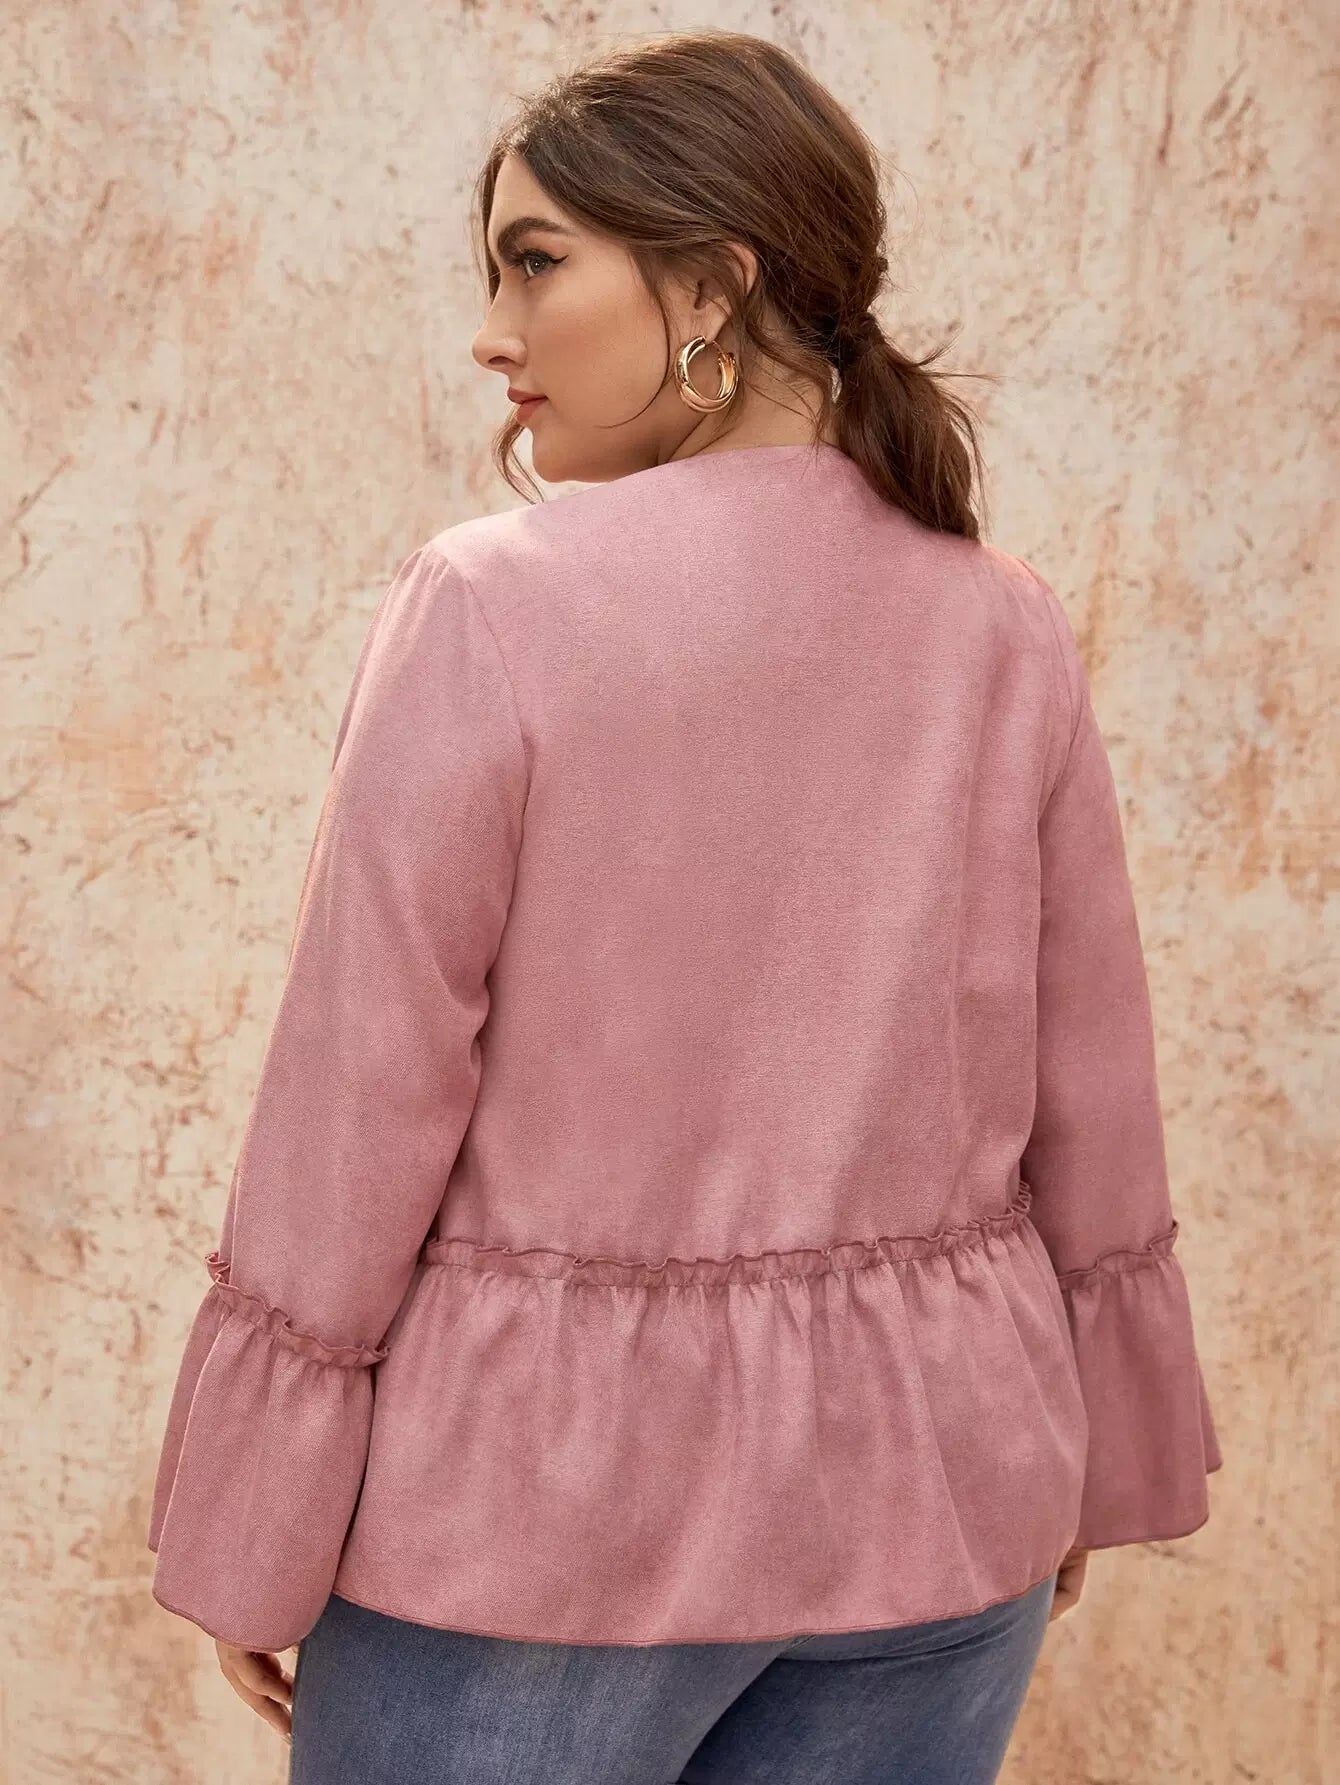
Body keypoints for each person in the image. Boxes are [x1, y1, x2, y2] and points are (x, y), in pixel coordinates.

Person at [145, 28, 1222, 1784]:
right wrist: (1085, 1440)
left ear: (713, 284)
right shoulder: (999, 617)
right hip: (942, 1502)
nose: (493, 334)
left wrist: (256, 1511)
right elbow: (1094, 1072)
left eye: (535, 262)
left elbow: (361, 1090)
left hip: (541, 1527)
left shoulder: (489, 603)